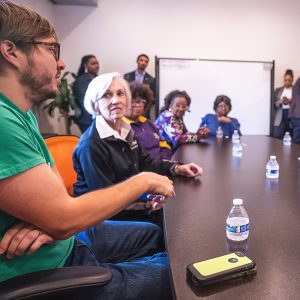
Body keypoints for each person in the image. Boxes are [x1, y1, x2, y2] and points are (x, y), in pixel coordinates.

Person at [0, 3, 176, 299]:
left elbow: (59, 200)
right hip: (46, 268)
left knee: (160, 239)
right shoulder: (4, 122)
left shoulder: (22, 112)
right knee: (176, 275)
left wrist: (54, 221)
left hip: (62, 240)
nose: (61, 63)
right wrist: (144, 181)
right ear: (11, 52)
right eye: (52, 49)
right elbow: (65, 215)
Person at [72, 73, 203, 224]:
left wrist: (177, 168)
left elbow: (146, 163)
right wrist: (147, 205)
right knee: (164, 226)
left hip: (128, 201)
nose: (116, 100)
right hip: (99, 220)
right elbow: (106, 202)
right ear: (95, 104)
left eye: (120, 93)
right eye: (107, 95)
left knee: (179, 209)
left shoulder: (126, 130)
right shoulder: (91, 144)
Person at [124, 81, 173, 160]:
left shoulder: (148, 123)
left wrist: (165, 160)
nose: (138, 105)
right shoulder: (121, 127)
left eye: (142, 101)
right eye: (133, 101)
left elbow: (164, 145)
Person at [73, 55, 99, 133]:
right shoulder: (80, 81)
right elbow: (85, 101)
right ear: (85, 66)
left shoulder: (100, 78)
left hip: (98, 118)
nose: (97, 65)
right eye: (93, 63)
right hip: (87, 120)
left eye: (97, 63)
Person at [273, 69, 293, 139]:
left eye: (289, 80)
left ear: (292, 80)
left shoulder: (296, 90)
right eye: (285, 80)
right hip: (280, 116)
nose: (287, 82)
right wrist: (280, 102)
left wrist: (291, 101)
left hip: (291, 116)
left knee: (293, 136)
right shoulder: (278, 90)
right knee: (276, 135)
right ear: (283, 80)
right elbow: (274, 105)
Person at [289, 77, 300, 144]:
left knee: (296, 139)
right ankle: (294, 154)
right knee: (296, 139)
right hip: (297, 115)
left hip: (296, 114)